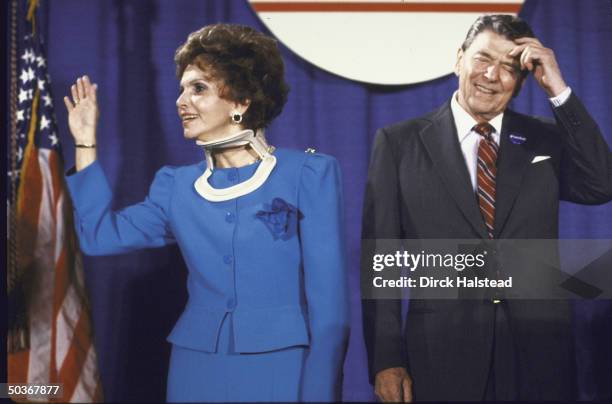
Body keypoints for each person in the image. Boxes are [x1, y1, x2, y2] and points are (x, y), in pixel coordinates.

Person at [63, 23, 350, 402]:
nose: (181, 101)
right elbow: (98, 238)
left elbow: (330, 315)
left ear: (241, 101)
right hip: (195, 368)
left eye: (198, 88)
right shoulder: (174, 186)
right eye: (181, 89)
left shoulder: (309, 174)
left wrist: (319, 396)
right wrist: (85, 142)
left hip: (283, 367)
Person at [361, 14, 612, 402]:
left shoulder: (543, 139)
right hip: (440, 353)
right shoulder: (399, 144)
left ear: (523, 81)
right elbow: (381, 259)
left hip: (539, 353)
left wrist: (558, 89)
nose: (492, 76)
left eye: (509, 68)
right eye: (482, 59)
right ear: (458, 58)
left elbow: (601, 184)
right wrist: (386, 359)